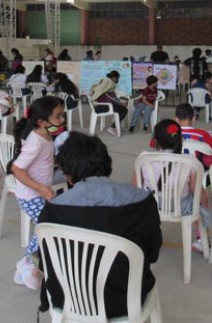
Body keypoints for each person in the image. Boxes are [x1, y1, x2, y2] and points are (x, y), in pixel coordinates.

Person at [37, 131, 162, 317]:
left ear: (67, 176)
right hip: (126, 301)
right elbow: (152, 254)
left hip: (68, 301)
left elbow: (45, 263)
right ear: (109, 163)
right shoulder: (142, 201)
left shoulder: (52, 210)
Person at [7, 96, 66, 290]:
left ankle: (21, 271)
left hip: (40, 193)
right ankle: (27, 262)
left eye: (62, 115)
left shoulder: (46, 136)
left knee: (47, 225)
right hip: (30, 195)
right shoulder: (36, 142)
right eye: (58, 117)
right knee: (47, 226)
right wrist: (41, 188)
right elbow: (17, 169)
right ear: (42, 122)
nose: (62, 120)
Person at [134, 119, 212, 250]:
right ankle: (201, 238)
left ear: (155, 140)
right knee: (200, 197)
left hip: (150, 206)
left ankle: (146, 234)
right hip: (180, 206)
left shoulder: (143, 157)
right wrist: (205, 203)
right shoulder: (189, 162)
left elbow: (135, 188)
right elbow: (195, 190)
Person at [174, 103, 212, 169]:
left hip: (177, 166)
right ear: (193, 118)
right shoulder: (202, 134)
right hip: (199, 168)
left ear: (176, 119)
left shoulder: (171, 133)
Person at [89, 71, 128, 136]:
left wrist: (119, 101)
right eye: (117, 78)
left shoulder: (103, 82)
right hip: (103, 107)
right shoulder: (110, 84)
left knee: (119, 108)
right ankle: (113, 127)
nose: (117, 80)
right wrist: (120, 103)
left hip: (99, 106)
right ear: (114, 77)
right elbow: (111, 98)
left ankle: (116, 126)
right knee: (124, 110)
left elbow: (111, 98)